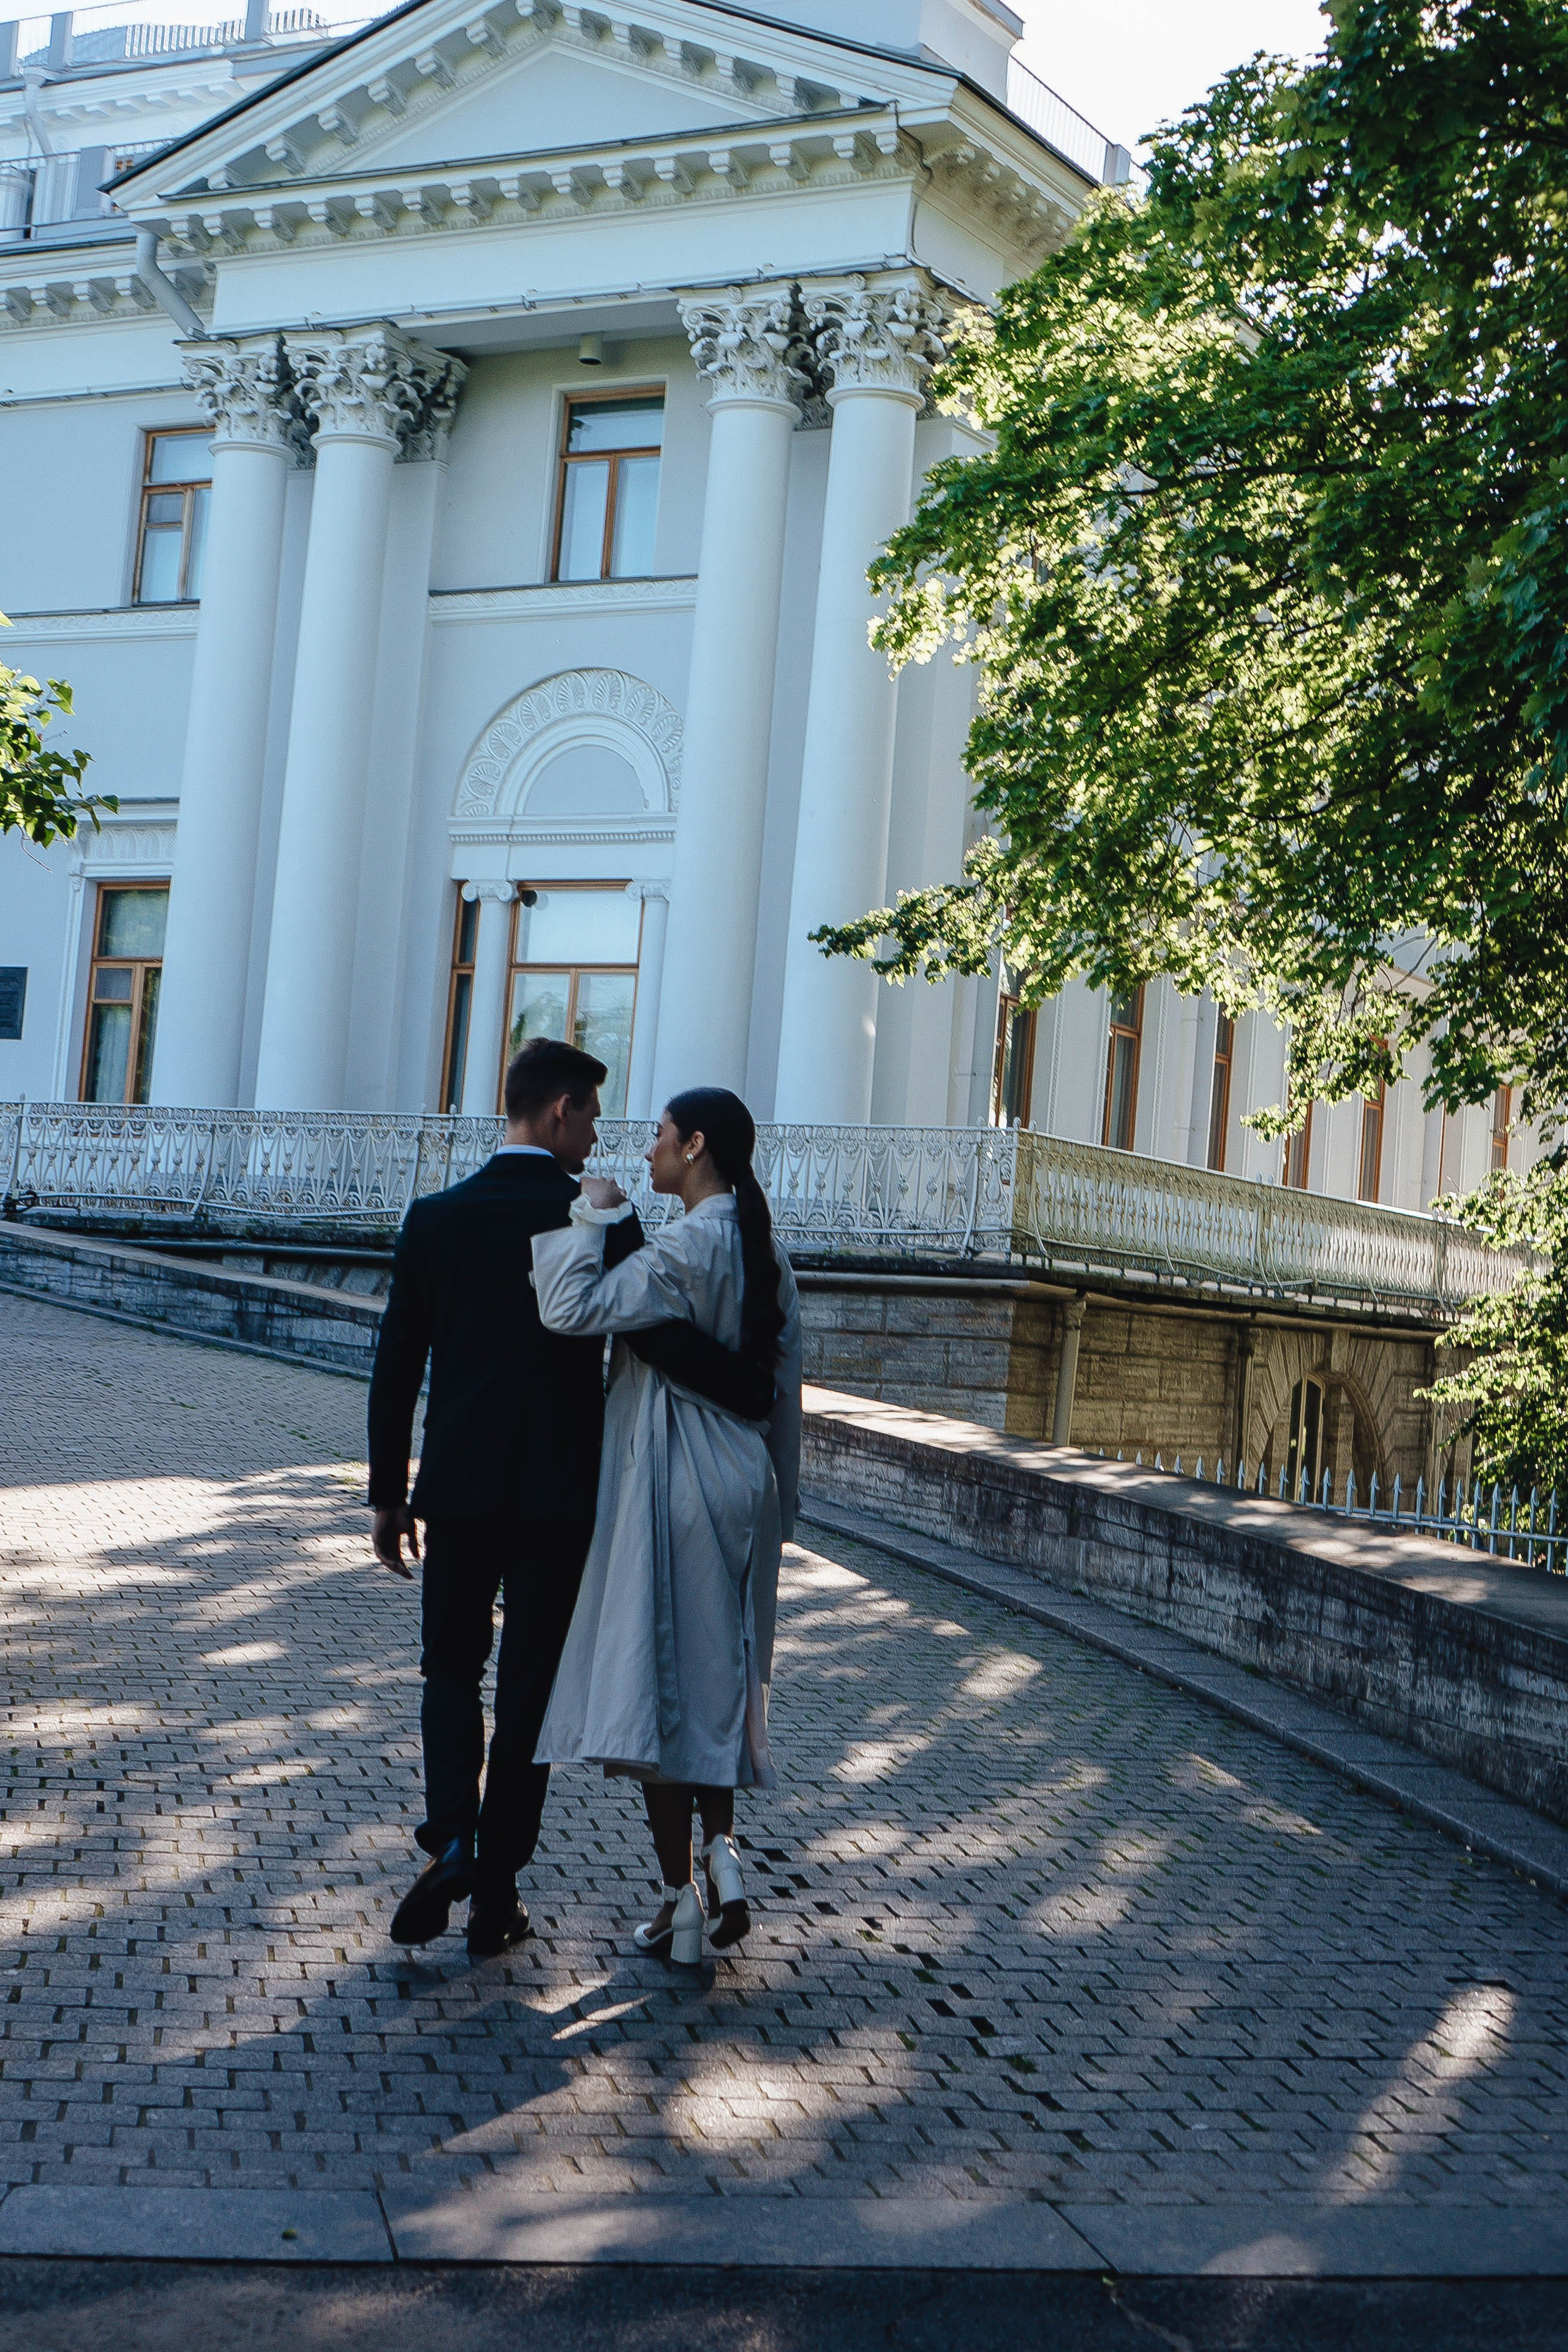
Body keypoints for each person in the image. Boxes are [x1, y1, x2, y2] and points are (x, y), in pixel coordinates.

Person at [367, 1038, 770, 1961]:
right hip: (561, 1496)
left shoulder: (435, 1218)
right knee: (529, 1694)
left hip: (459, 1489)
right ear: (558, 1113)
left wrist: (389, 1496)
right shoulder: (600, 1217)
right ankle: (497, 1891)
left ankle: (453, 1841)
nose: (601, 1135)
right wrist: (750, 1388)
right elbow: (662, 1342)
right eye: (590, 1114)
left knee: (447, 1670)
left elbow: (397, 1367)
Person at [530, 1086, 802, 1967]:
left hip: (673, 1475)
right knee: (718, 1676)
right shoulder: (767, 1251)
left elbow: (569, 1310)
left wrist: (589, 1214)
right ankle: (721, 1854)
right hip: (742, 1482)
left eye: (656, 1138)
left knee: (656, 1688)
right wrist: (781, 1506)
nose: (645, 1154)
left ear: (693, 1145)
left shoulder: (682, 1246)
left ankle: (679, 1896)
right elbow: (784, 1397)